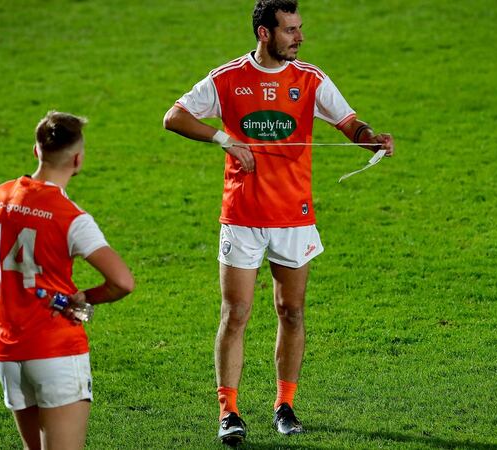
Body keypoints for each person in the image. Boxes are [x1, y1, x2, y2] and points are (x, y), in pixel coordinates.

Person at [163, 0, 394, 444]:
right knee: (236, 314)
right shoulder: (228, 78)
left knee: (291, 311)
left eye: (299, 28)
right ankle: (228, 412)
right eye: (290, 30)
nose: (299, 37)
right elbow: (174, 116)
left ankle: (284, 405)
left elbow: (350, 124)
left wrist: (372, 140)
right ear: (265, 34)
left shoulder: (309, 79)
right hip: (243, 216)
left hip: (293, 216)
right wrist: (224, 139)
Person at [0, 111, 134, 450]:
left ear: (36, 151)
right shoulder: (72, 217)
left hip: (10, 352)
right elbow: (122, 282)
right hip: (56, 350)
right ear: (77, 159)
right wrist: (83, 296)